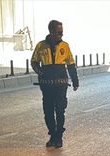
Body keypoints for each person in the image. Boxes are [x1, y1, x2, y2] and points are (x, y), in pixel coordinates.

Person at [31, 20, 79, 148]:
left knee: (59, 109)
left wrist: (75, 81)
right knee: (48, 110)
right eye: (59, 33)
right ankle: (52, 135)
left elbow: (70, 64)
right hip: (46, 85)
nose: (61, 36)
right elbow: (34, 62)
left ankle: (59, 137)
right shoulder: (41, 46)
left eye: (62, 33)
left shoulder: (65, 46)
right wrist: (41, 73)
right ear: (51, 32)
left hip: (61, 84)